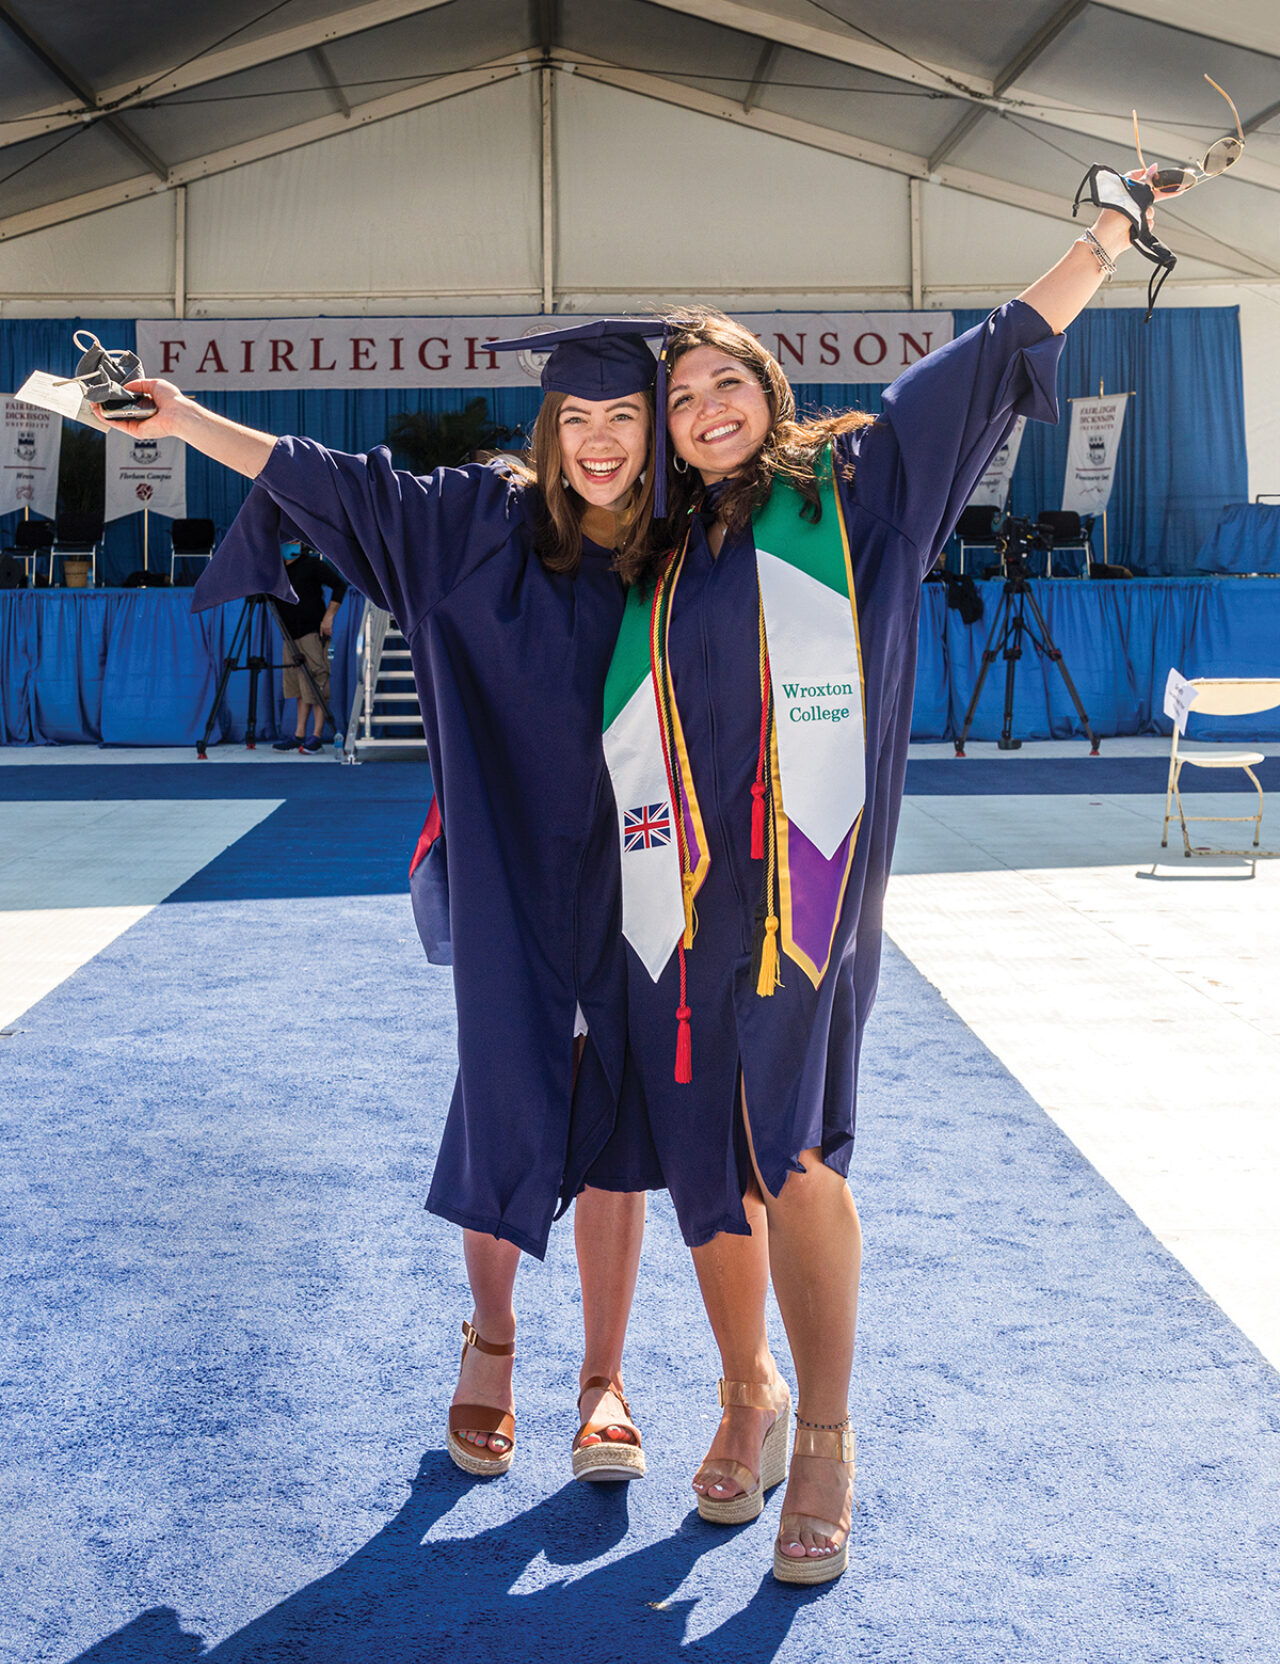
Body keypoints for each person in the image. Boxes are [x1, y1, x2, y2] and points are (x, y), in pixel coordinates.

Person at [599, 167, 1184, 1581]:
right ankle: (747, 1391)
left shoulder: (859, 486)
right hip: (680, 891)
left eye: (721, 382)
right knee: (706, 1154)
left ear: (769, 387)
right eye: (679, 401)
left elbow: (995, 350)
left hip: (809, 879)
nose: (702, 410)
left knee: (794, 1143)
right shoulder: (660, 554)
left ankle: (831, 1429)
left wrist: (1102, 235)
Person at [95, 321, 673, 1483]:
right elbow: (335, 482)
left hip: (648, 866)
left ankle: (604, 1377)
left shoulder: (686, 548)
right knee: (509, 1088)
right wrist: (189, 421)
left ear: (655, 431)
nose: (598, 443)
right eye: (576, 419)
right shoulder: (477, 525)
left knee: (625, 1117)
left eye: (621, 418)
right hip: (507, 852)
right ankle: (492, 1340)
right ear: (547, 430)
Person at [271, 540, 346, 753]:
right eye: (287, 541)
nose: (291, 545)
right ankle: (299, 734)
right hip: (290, 636)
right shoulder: (278, 570)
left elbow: (340, 585)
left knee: (317, 682)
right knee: (298, 686)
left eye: (295, 541)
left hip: (312, 632)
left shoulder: (312, 564)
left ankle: (317, 735)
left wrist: (329, 617)